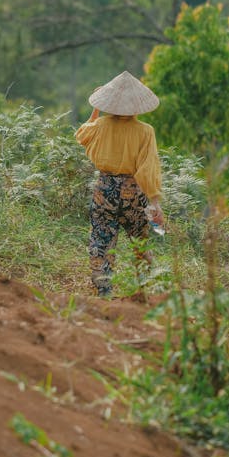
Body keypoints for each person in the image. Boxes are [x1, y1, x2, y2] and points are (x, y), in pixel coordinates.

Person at [75, 70, 164, 297]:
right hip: (134, 193)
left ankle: (104, 290)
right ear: (137, 106)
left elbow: (81, 135)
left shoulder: (101, 125)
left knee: (102, 240)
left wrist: (96, 110)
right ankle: (144, 290)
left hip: (104, 190)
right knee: (141, 241)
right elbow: (148, 169)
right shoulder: (146, 132)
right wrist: (155, 203)